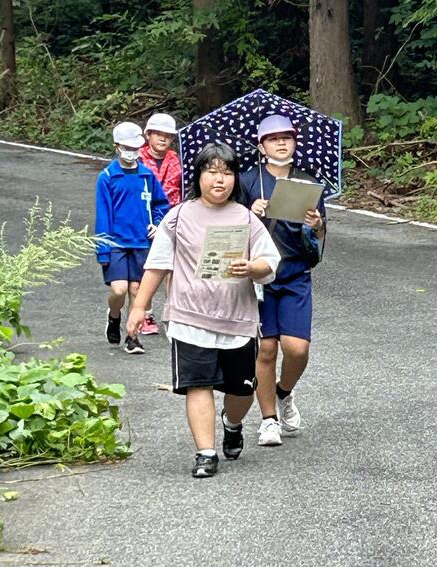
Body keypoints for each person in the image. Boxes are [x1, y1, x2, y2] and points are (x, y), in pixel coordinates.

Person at [126, 142, 280, 479]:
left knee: (242, 390)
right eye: (211, 172)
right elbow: (158, 264)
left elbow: (270, 262)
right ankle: (205, 453)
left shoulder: (246, 218)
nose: (219, 180)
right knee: (198, 385)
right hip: (188, 317)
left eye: (227, 173)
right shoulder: (178, 216)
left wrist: (251, 268)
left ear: (235, 178)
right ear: (198, 176)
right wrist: (139, 307)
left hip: (237, 319)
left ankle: (232, 422)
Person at [239, 114, 326, 447]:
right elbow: (230, 225)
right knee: (266, 349)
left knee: (297, 349)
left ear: (294, 142)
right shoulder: (247, 181)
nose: (280, 143)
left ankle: (284, 391)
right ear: (261, 146)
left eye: (286, 137)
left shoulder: (306, 181)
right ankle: (268, 420)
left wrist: (316, 223)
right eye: (273, 139)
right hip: (259, 277)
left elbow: (320, 234)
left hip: (295, 273)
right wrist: (250, 213)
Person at [95, 121, 170, 355]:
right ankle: (114, 316)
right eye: (127, 147)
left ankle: (132, 337)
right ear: (117, 147)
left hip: (142, 242)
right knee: (119, 290)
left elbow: (161, 204)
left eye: (135, 148)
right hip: (116, 243)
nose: (132, 152)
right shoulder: (107, 177)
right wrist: (103, 250)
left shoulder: (147, 175)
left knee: (137, 291)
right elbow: (103, 215)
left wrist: (157, 224)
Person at [138, 112, 183, 335]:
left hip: (172, 216)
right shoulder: (137, 159)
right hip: (144, 218)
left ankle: (173, 312)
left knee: (174, 268)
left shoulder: (177, 160)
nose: (163, 139)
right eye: (158, 134)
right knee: (146, 268)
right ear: (148, 135)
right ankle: (145, 313)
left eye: (168, 135)